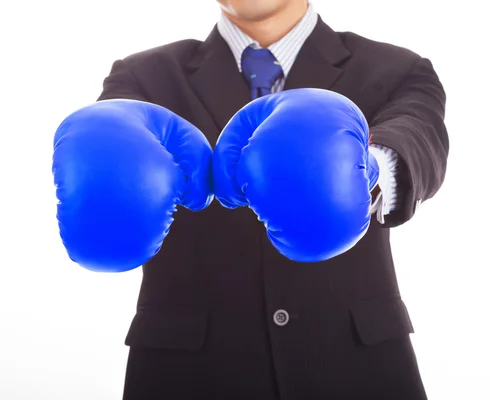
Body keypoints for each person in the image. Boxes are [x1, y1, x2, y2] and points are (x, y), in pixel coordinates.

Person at [56, 0, 449, 398]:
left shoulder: (395, 67)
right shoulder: (143, 75)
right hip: (186, 371)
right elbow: (107, 154)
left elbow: (419, 139)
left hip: (355, 365)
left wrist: (370, 170)